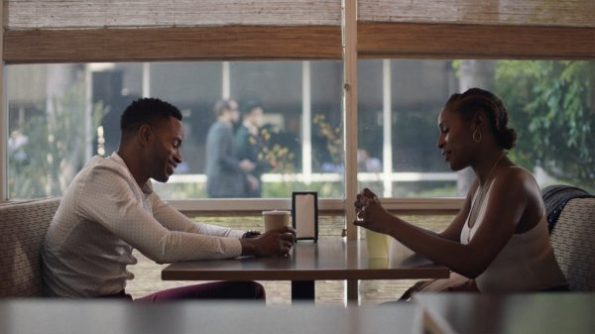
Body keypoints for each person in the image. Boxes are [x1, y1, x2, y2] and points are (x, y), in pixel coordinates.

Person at [42, 98, 295, 300]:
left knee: (247, 292)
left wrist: (248, 237)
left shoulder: (137, 186)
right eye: (174, 144)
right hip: (87, 322)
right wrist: (253, 247)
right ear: (145, 135)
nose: (179, 156)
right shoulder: (102, 179)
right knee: (244, 294)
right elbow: (164, 246)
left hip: (116, 309)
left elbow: (191, 229)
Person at [354, 88, 567, 296]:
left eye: (446, 129)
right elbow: (446, 243)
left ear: (478, 123)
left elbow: (472, 261)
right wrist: (383, 221)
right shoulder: (481, 186)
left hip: (537, 314)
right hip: (501, 310)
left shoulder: (514, 181)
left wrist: (389, 223)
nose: (439, 142)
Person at [205, 99, 256, 198]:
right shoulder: (220, 129)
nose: (237, 113)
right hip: (223, 188)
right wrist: (241, 165)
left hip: (225, 187)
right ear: (225, 111)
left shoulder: (224, 129)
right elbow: (220, 157)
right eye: (235, 109)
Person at [234, 101, 272, 197]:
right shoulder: (243, 133)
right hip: (249, 181)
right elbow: (242, 156)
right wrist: (248, 175)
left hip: (254, 177)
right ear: (250, 115)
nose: (260, 117)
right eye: (258, 114)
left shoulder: (252, 132)